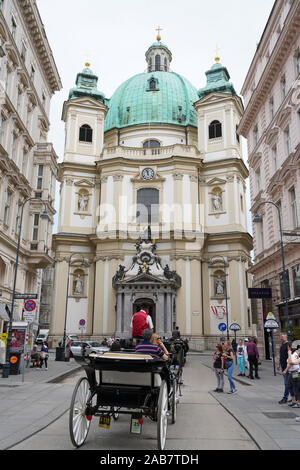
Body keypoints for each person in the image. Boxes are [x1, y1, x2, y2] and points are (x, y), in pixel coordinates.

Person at [277, 333, 290, 404]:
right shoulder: (282, 346)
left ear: (286, 337)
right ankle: (294, 397)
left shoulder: (288, 345)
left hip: (288, 367)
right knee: (289, 383)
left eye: (282, 336)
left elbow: (290, 356)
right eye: (280, 336)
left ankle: (285, 398)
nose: (281, 338)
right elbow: (280, 355)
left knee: (286, 383)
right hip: (283, 366)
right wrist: (278, 364)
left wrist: (287, 368)